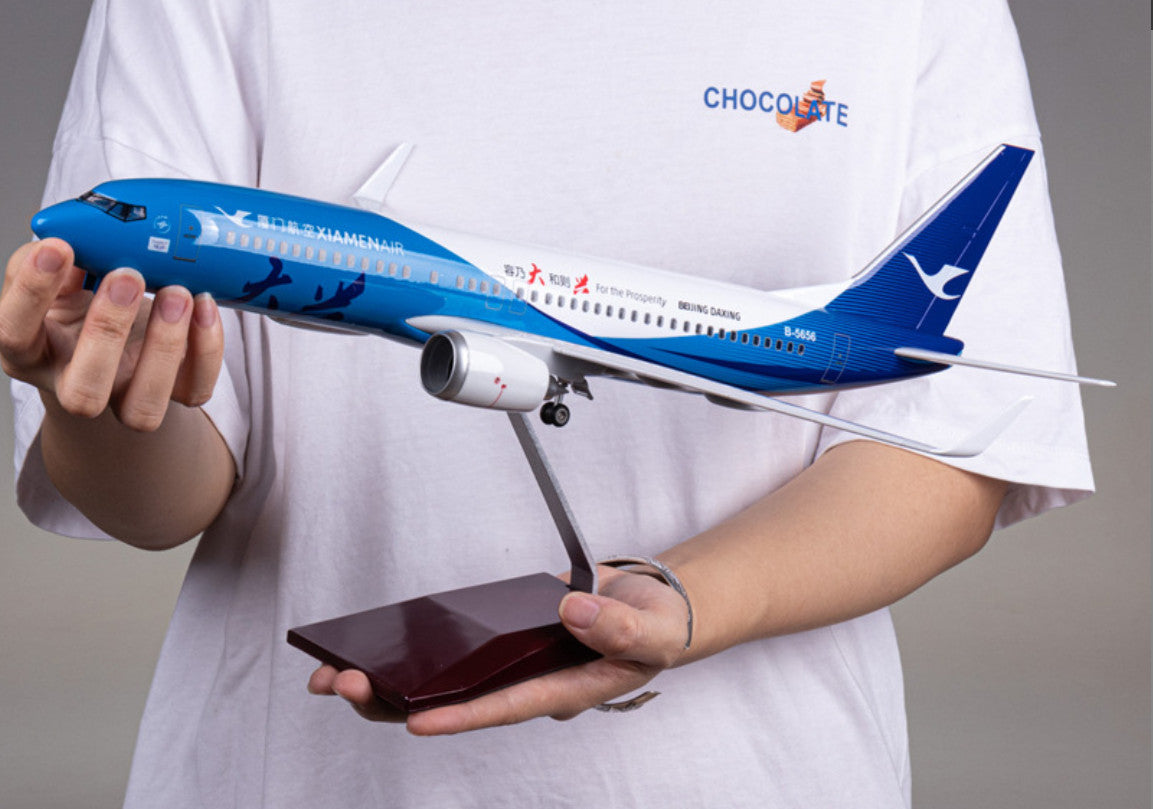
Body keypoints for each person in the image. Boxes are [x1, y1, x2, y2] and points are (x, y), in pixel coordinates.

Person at [4, 1, 1094, 806]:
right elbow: (159, 505)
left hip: (756, 769)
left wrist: (681, 600)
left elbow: (951, 454)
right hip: (297, 769)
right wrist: (95, 401)